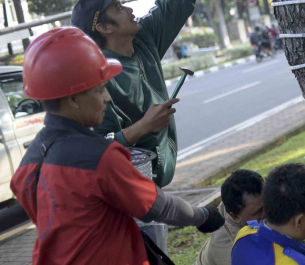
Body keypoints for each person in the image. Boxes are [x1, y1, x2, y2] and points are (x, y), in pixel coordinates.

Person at [10, 27, 225, 265]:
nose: (107, 98)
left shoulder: (27, 165)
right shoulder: (100, 158)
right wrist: (204, 215)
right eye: (100, 89)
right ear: (73, 99)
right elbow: (159, 207)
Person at [71, 0, 244, 189]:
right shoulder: (97, 79)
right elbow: (100, 145)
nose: (127, 8)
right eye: (117, 7)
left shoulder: (144, 38)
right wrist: (144, 126)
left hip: (157, 180)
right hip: (127, 189)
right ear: (104, 28)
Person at [195, 169, 305, 265]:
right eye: (259, 211)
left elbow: (303, 200)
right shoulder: (230, 247)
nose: (271, 213)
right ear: (235, 216)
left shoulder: (248, 217)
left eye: (268, 203)